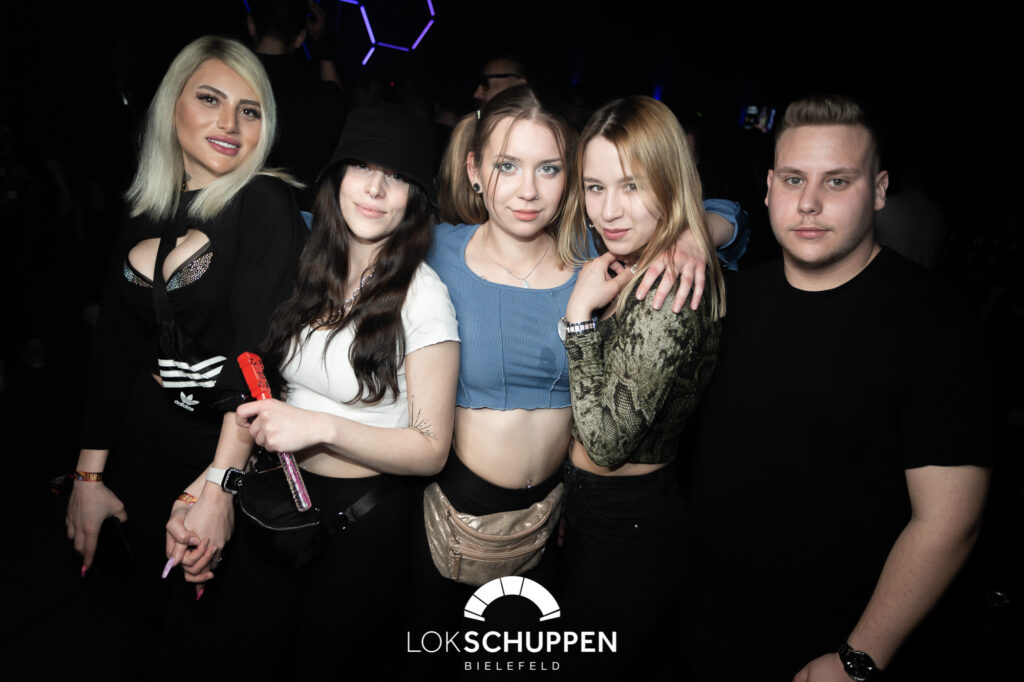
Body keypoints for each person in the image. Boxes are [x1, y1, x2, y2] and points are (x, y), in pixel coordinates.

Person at [411, 85, 743, 664]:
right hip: (457, 513)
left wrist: (692, 233)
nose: (528, 190)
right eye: (508, 166)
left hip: (556, 521)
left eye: (549, 169)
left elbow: (733, 216)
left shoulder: (597, 252)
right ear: (475, 171)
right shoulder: (434, 250)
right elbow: (338, 233)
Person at [685, 94, 991, 681]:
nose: (809, 202)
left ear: (878, 191)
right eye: (794, 179)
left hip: (829, 649)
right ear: (769, 188)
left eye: (838, 181)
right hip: (704, 628)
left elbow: (949, 520)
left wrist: (858, 658)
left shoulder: (935, 323)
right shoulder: (728, 300)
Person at [65, 35, 305, 670]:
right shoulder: (145, 202)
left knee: (207, 643)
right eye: (210, 100)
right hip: (143, 443)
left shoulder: (264, 202)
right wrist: (89, 477)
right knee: (141, 628)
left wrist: (220, 488)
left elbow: (257, 359)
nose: (230, 124)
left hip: (223, 451)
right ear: (172, 105)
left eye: (249, 110)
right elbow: (116, 345)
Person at [194, 103, 459, 677]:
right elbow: (256, 388)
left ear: (416, 198)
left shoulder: (423, 294)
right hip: (277, 497)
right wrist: (210, 487)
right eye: (362, 165)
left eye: (397, 176)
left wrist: (318, 427)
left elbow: (431, 448)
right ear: (337, 175)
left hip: (361, 523)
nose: (375, 189)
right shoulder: (308, 266)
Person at [556, 95, 723, 677]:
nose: (609, 209)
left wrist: (579, 318)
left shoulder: (667, 289)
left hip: (629, 530)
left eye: (631, 185)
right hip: (605, 514)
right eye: (594, 187)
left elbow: (604, 443)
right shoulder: (646, 258)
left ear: (670, 180)